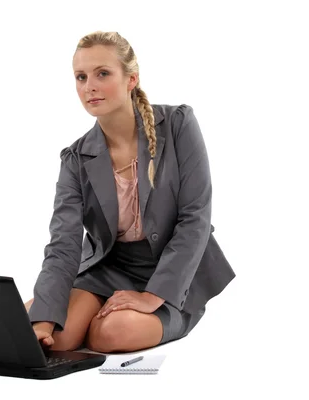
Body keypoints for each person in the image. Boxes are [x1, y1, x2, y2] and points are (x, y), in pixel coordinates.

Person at [24, 31, 236, 353]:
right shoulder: (75, 158)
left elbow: (195, 219)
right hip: (108, 271)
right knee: (55, 337)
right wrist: (43, 317)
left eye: (102, 73)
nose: (89, 86)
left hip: (175, 274)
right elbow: (63, 245)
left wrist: (152, 296)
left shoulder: (178, 124)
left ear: (131, 79)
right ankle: (51, 310)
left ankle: (103, 314)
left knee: (108, 334)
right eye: (81, 77)